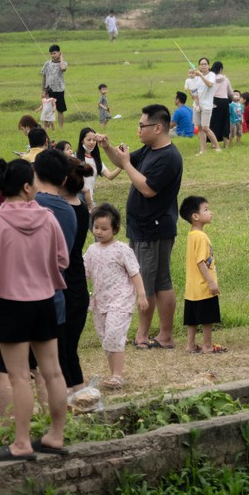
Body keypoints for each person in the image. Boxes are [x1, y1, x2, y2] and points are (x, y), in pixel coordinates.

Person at [0, 159, 70, 460]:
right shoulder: (49, 217)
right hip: (44, 302)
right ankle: (56, 435)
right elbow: (62, 261)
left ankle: (22, 442)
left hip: (10, 305)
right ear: (27, 187)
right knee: (52, 372)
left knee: (18, 377)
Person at [108, 105, 183, 351]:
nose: (138, 129)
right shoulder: (150, 150)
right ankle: (164, 335)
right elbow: (121, 161)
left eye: (142, 125)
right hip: (145, 228)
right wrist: (106, 146)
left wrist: (127, 165)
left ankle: (143, 335)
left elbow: (148, 188)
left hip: (154, 228)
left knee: (149, 284)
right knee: (159, 281)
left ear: (158, 127)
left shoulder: (169, 157)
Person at [35, 152, 92, 406]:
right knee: (69, 349)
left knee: (60, 350)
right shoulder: (78, 207)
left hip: (63, 284)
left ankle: (68, 399)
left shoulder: (56, 209)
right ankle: (80, 395)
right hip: (77, 281)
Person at [82, 205, 144, 388]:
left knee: (113, 335)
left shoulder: (122, 250)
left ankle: (118, 375)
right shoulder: (92, 250)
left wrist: (141, 295)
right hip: (100, 301)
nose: (99, 232)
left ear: (115, 229)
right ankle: (113, 374)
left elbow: (134, 273)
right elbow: (83, 273)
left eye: (104, 228)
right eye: (96, 227)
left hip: (120, 300)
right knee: (105, 338)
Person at [180, 196, 223, 354]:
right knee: (207, 319)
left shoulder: (192, 235)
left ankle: (190, 345)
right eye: (206, 210)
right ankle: (207, 345)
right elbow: (201, 262)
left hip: (192, 289)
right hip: (203, 287)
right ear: (195, 216)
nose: (210, 212)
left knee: (191, 319)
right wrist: (211, 283)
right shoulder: (201, 237)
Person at [42, 44, 69, 122]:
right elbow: (44, 77)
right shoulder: (47, 63)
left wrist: (61, 58)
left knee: (60, 110)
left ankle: (61, 129)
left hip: (59, 90)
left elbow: (63, 68)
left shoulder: (64, 63)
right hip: (49, 90)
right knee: (48, 110)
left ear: (59, 53)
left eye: (54, 53)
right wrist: (43, 90)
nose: (52, 55)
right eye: (51, 54)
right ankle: (48, 128)